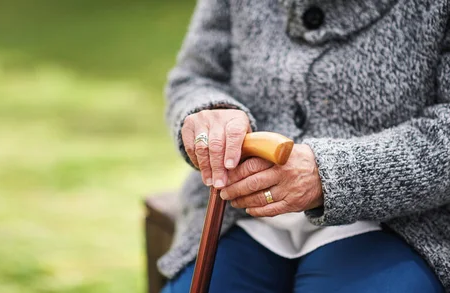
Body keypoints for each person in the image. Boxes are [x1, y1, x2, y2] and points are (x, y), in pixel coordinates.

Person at [158, 0, 450, 292]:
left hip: (397, 223)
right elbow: (195, 77)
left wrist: (334, 176)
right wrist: (207, 113)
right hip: (237, 217)